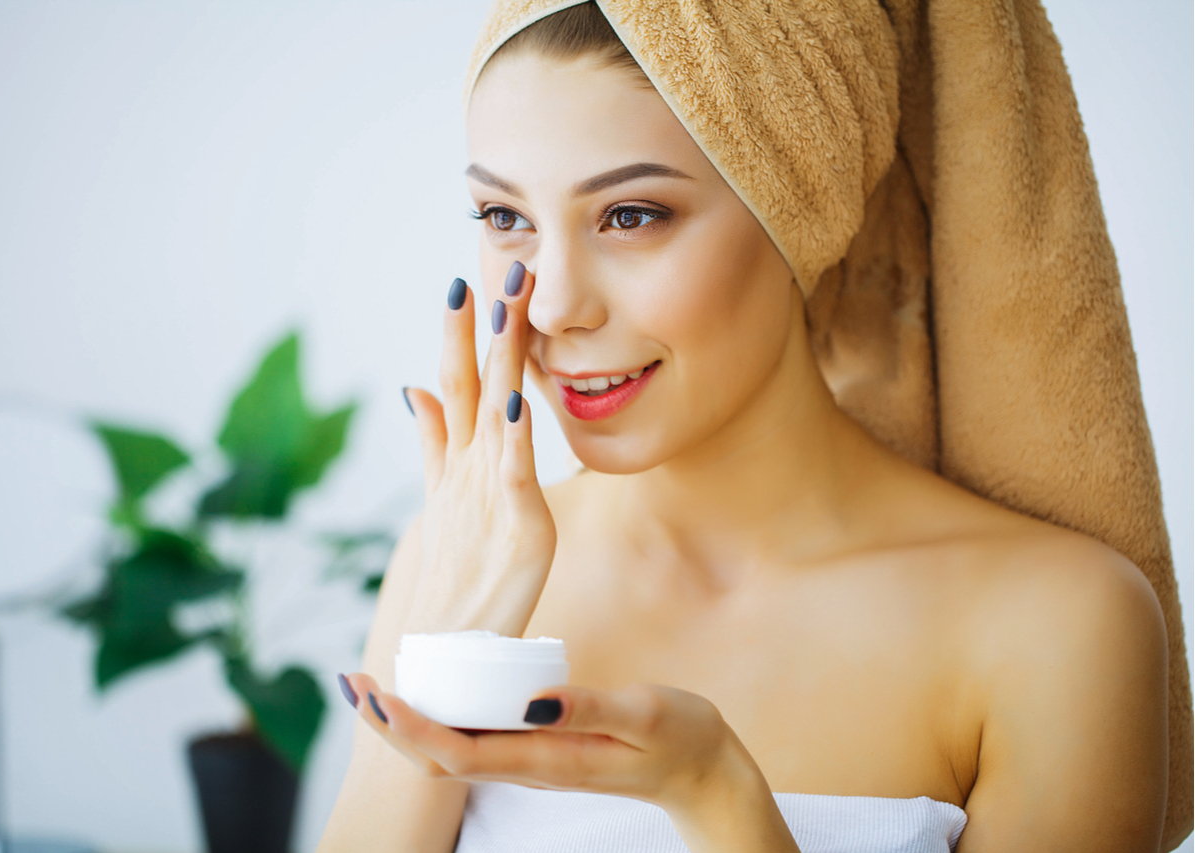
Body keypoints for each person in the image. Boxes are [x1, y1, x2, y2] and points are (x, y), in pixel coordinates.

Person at [317, 3, 1181, 851]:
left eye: (631, 215)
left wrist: (718, 794)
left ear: (802, 208)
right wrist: (445, 652)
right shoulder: (456, 567)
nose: (551, 305)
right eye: (506, 219)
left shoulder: (1057, 626)